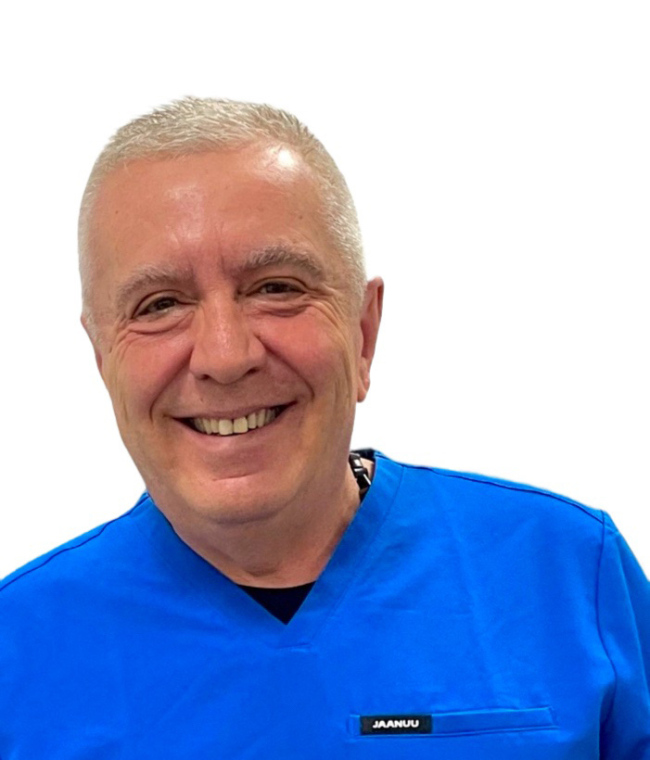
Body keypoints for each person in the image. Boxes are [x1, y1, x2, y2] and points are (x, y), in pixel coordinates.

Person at [1, 98, 648, 759]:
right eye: (160, 304)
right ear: (103, 358)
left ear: (364, 332)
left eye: (276, 288)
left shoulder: (568, 576)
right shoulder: (16, 653)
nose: (225, 356)